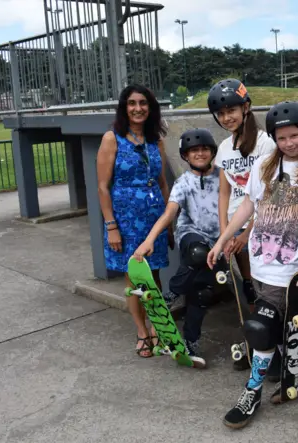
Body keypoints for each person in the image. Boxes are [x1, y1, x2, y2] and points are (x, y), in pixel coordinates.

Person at [206, 100, 298, 429]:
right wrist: (223, 239)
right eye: (282, 137)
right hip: (260, 267)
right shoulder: (264, 166)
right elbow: (248, 205)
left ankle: (252, 391)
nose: (289, 142)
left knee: (258, 328)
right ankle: (292, 372)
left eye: (294, 135)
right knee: (278, 327)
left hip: (290, 273)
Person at [131, 128, 223, 369]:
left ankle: (190, 342)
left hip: (218, 243)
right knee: (197, 253)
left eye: (204, 149)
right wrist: (150, 239)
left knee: (201, 295)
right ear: (185, 156)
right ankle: (170, 296)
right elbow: (170, 212)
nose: (200, 154)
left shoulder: (224, 177)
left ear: (212, 152)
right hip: (191, 238)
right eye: (194, 151)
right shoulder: (184, 182)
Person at [96, 84, 174, 359]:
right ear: (124, 108)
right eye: (132, 103)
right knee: (134, 278)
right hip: (126, 222)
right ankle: (141, 330)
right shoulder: (112, 139)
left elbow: (163, 183)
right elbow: (103, 187)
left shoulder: (156, 141)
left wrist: (169, 224)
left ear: (150, 108)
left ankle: (157, 326)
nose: (138, 108)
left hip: (154, 219)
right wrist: (111, 227)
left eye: (143, 103)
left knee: (153, 275)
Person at [207, 78, 277, 371]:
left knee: (266, 289)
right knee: (249, 288)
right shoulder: (224, 147)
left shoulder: (264, 143)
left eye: (231, 110)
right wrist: (225, 234)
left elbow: (269, 194)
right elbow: (224, 192)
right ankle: (256, 342)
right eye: (221, 114)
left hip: (261, 225)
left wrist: (248, 233)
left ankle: (274, 348)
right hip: (236, 226)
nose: (227, 117)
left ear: (246, 107)